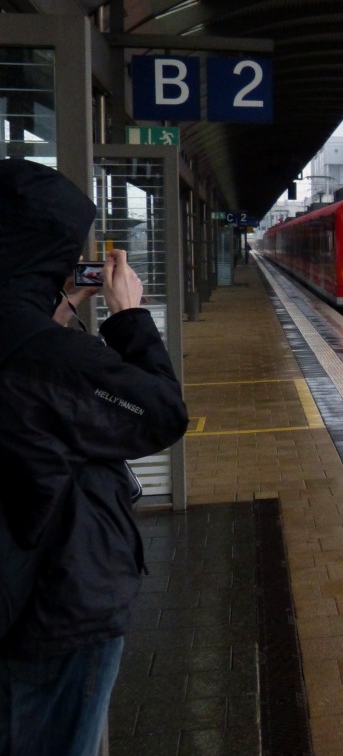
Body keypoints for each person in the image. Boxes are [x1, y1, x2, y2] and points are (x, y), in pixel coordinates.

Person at [0, 159, 188, 756]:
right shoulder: (41, 355)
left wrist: (48, 312)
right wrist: (130, 317)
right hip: (55, 604)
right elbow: (159, 412)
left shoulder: (27, 340)